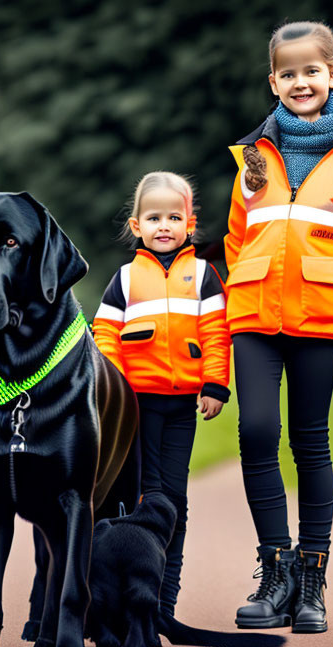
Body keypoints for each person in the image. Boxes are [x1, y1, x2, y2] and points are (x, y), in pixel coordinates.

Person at [224, 21, 333, 633]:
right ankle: (276, 572)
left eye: (311, 71)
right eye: (288, 73)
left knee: (308, 440)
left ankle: (312, 582)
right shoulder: (251, 159)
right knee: (257, 431)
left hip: (324, 321)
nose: (300, 81)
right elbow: (238, 239)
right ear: (273, 81)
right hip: (254, 321)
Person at [93, 171, 230, 617]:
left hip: (182, 407)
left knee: (173, 501)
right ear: (137, 226)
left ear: (190, 223)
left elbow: (216, 334)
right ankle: (125, 600)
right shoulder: (125, 279)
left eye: (174, 217)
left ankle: (163, 602)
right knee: (138, 497)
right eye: (154, 218)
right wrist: (113, 390)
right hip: (135, 407)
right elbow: (105, 335)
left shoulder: (205, 276)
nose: (164, 226)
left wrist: (215, 385)